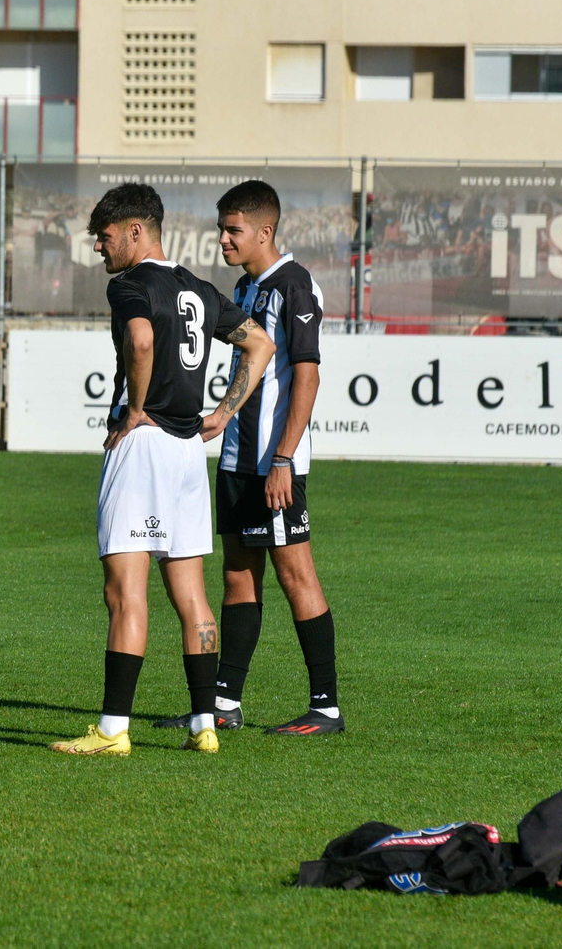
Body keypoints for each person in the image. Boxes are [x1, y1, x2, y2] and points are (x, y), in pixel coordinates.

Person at [51, 183, 274, 758]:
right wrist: (223, 414)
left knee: (125, 592)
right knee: (191, 594)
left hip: (145, 444)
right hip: (185, 454)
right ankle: (205, 724)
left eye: (104, 238)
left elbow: (142, 341)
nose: (100, 250)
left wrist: (134, 409)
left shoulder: (129, 284)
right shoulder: (199, 287)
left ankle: (112, 730)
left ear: (135, 232)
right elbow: (261, 345)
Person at [156, 179, 344, 737]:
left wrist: (284, 456)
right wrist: (223, 414)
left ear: (266, 231)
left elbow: (306, 374)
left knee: (295, 574)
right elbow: (251, 364)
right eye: (221, 228)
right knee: (238, 577)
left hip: (274, 464)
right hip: (238, 461)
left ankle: (326, 706)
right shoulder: (243, 288)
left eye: (233, 229)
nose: (223, 239)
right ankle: (224, 703)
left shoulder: (295, 283)